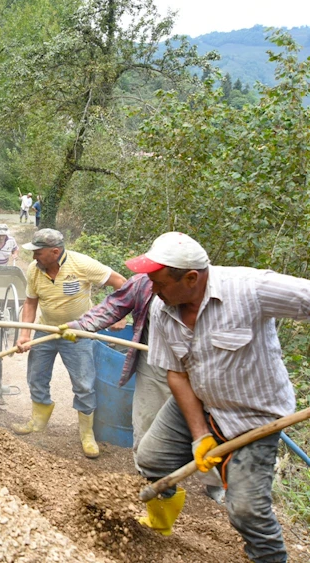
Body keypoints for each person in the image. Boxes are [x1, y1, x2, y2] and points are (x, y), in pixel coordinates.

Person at [130, 232, 304, 561]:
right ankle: (160, 524)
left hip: (253, 416)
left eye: (159, 283)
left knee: (246, 510)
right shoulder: (163, 307)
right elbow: (177, 374)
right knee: (152, 457)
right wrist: (199, 437)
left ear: (192, 278)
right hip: (198, 399)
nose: (153, 291)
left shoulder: (250, 288)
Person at [59, 272, 225, 503]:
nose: (154, 280)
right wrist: (81, 325)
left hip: (200, 367)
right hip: (155, 362)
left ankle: (215, 482)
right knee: (146, 424)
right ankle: (152, 482)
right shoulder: (143, 283)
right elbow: (114, 305)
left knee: (210, 427)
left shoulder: (215, 288)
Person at [13, 228, 126, 458]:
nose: (34, 257)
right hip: (46, 331)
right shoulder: (34, 270)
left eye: (38, 252)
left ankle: (86, 434)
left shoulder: (82, 264)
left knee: (84, 384)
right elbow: (30, 303)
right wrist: (25, 334)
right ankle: (37, 422)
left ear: (55, 252)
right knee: (36, 376)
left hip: (78, 334)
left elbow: (121, 283)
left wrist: (121, 315)